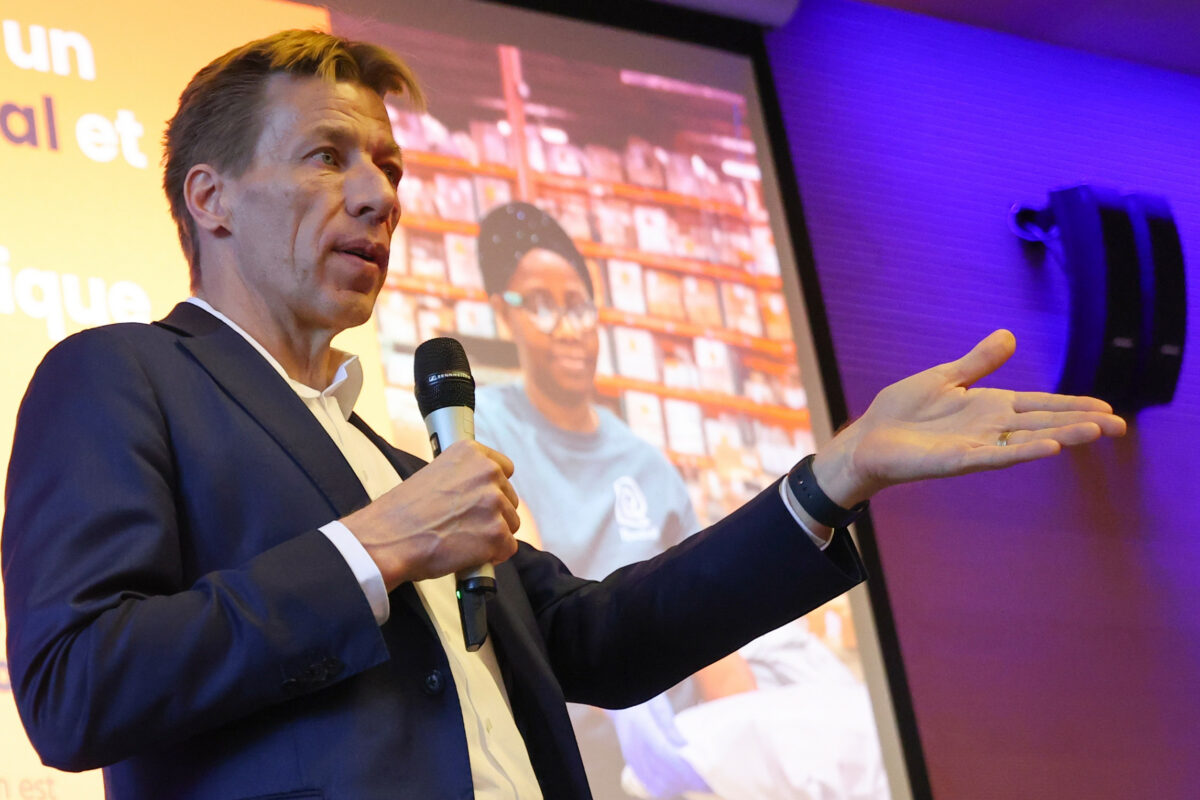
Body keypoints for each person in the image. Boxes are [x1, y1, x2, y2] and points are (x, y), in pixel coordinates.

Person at [0, 29, 1125, 800]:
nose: (380, 195)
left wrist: (835, 477)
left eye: (389, 167)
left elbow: (605, 642)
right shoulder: (122, 374)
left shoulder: (402, 466)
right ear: (210, 197)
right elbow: (74, 684)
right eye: (327, 157)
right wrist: (377, 546)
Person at [471, 203, 884, 800]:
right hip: (573, 735)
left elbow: (707, 627)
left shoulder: (647, 465)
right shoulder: (486, 429)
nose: (567, 328)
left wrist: (749, 752)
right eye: (539, 304)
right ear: (501, 314)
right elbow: (530, 605)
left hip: (674, 741)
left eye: (578, 304)